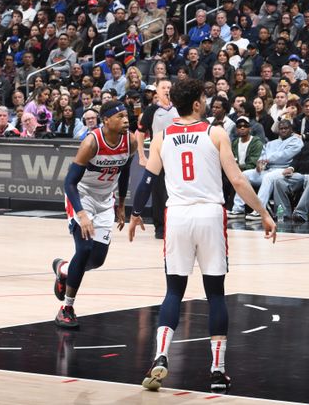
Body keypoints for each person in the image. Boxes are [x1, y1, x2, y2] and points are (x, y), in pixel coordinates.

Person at [127, 78, 276, 393]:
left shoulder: (162, 136)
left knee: (173, 292)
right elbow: (236, 179)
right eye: (204, 99)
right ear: (196, 103)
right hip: (209, 214)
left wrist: (135, 213)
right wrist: (263, 213)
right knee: (216, 294)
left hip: (177, 216)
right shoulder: (215, 132)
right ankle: (218, 371)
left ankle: (161, 356)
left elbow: (146, 182)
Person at [52, 101, 136, 328]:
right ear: (106, 120)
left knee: (96, 260)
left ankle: (64, 269)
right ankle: (66, 308)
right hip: (82, 196)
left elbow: (125, 171)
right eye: (120, 116)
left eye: (126, 115)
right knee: (85, 248)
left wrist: (121, 203)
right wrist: (82, 214)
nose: (126, 120)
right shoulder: (91, 142)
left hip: (105, 200)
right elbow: (69, 182)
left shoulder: (131, 141)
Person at [136, 78, 179, 239]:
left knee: (175, 192)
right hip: (158, 157)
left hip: (177, 157)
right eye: (164, 87)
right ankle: (160, 228)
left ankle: (175, 225)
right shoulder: (151, 110)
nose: (167, 90)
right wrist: (141, 155)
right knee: (159, 193)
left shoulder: (179, 109)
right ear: (157, 91)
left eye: (169, 87)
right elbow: (140, 133)